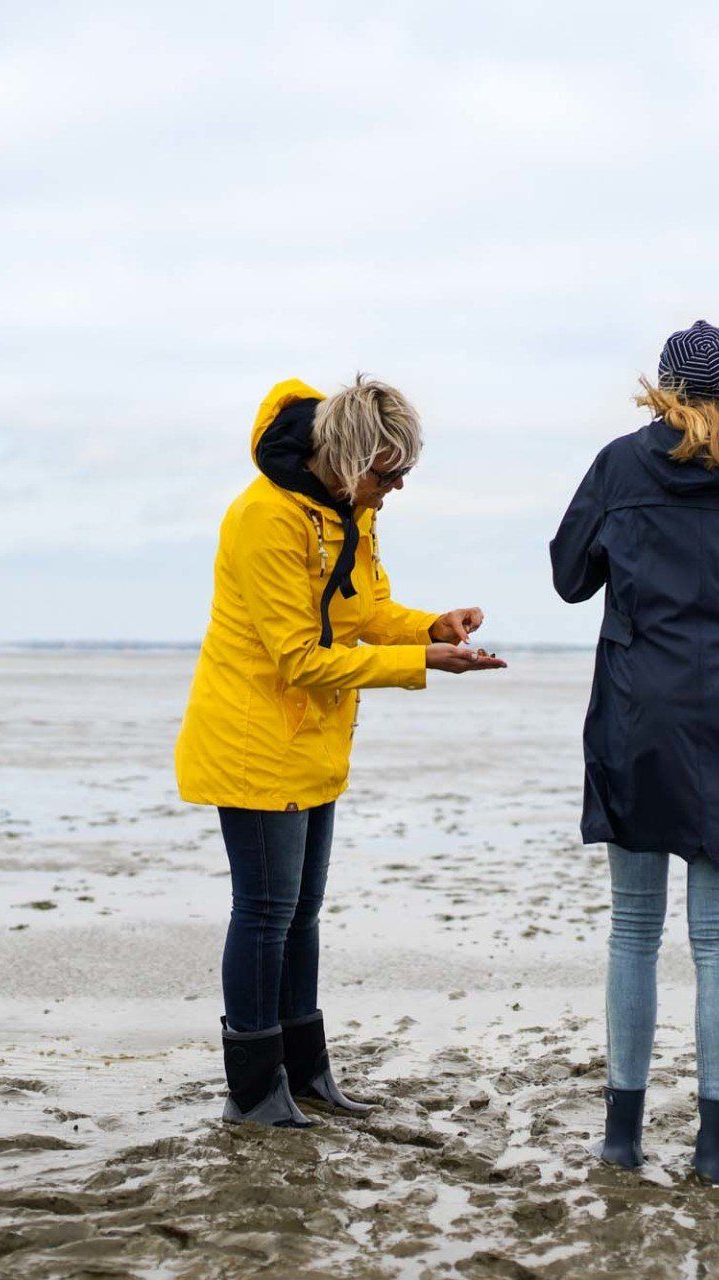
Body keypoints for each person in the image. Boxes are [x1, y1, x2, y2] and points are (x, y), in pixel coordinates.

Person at [175, 375, 505, 1127]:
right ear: (349, 456)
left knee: (303, 913)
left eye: (402, 477)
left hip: (315, 741)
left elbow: (368, 612)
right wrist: (420, 666)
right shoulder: (264, 517)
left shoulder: (347, 509)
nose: (392, 492)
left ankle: (306, 1073)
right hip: (253, 741)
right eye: (386, 475)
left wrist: (432, 628)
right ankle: (255, 1092)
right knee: (264, 912)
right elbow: (300, 657)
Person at [549, 321, 719, 1183]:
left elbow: (568, 575)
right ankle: (716, 1151)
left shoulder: (622, 464)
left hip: (639, 718)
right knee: (718, 941)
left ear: (662, 385)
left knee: (633, 930)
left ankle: (622, 1138)